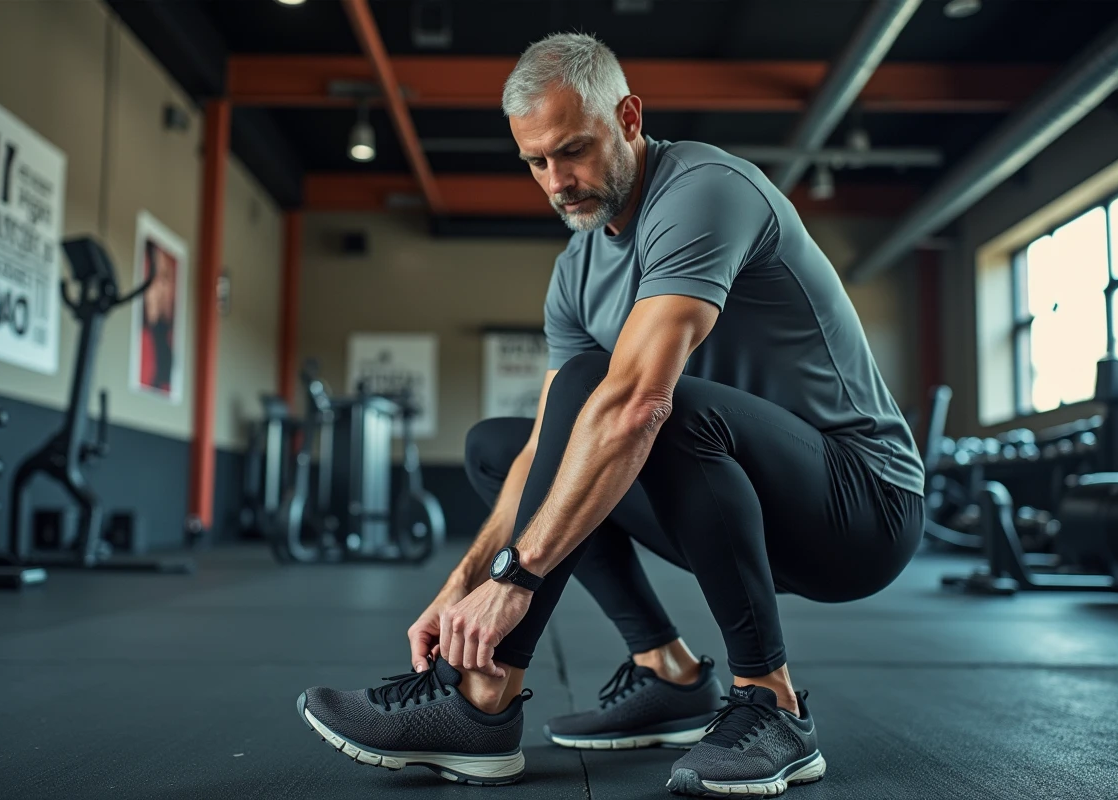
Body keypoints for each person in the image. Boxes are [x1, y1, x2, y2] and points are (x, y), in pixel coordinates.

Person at [297, 32, 925, 797]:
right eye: (535, 162)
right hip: (734, 505)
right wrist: (466, 581)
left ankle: (770, 704)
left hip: (863, 509)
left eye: (573, 150)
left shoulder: (704, 192)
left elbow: (637, 405)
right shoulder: (576, 269)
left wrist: (515, 579)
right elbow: (545, 445)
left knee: (629, 396)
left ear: (628, 117)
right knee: (500, 444)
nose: (557, 182)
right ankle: (668, 672)